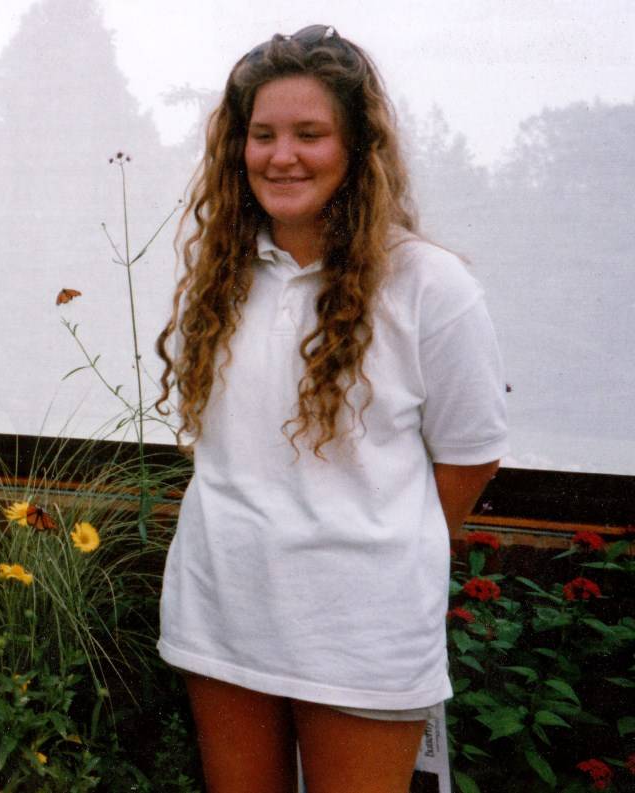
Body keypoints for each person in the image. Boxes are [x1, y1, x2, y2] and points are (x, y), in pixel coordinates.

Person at [154, 26, 507, 793]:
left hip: (362, 635)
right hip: (221, 614)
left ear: (357, 148)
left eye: (309, 134)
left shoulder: (429, 285)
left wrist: (388, 549)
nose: (282, 156)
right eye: (263, 135)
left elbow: (472, 453)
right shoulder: (219, 279)